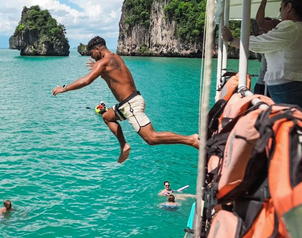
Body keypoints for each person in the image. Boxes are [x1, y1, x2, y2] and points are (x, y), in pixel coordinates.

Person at [52, 36, 199, 163]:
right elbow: (114, 76)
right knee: (107, 117)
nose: (92, 56)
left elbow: (85, 81)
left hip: (131, 104)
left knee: (151, 138)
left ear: (97, 49)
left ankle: (190, 140)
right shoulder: (115, 57)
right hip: (128, 103)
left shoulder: (103, 63)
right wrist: (98, 68)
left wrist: (64, 88)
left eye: (92, 53)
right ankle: (124, 146)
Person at [222, 0, 302, 118]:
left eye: (280, 8)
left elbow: (256, 44)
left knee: (285, 131)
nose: (281, 12)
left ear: (288, 7)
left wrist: (230, 40)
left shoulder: (291, 28)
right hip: (298, 91)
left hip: (288, 93)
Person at [253, 0, 281, 96]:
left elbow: (259, 21)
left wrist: (230, 39)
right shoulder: (265, 44)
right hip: (263, 84)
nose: (261, 30)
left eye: (264, 28)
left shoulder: (277, 40)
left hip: (269, 85)